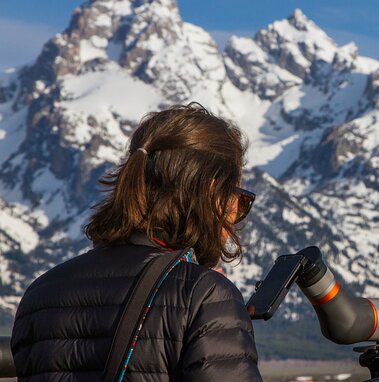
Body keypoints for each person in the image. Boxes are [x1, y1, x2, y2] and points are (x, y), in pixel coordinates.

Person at [10, 103, 263, 381]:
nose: (236, 213)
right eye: (237, 197)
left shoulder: (41, 293)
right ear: (210, 193)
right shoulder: (203, 294)